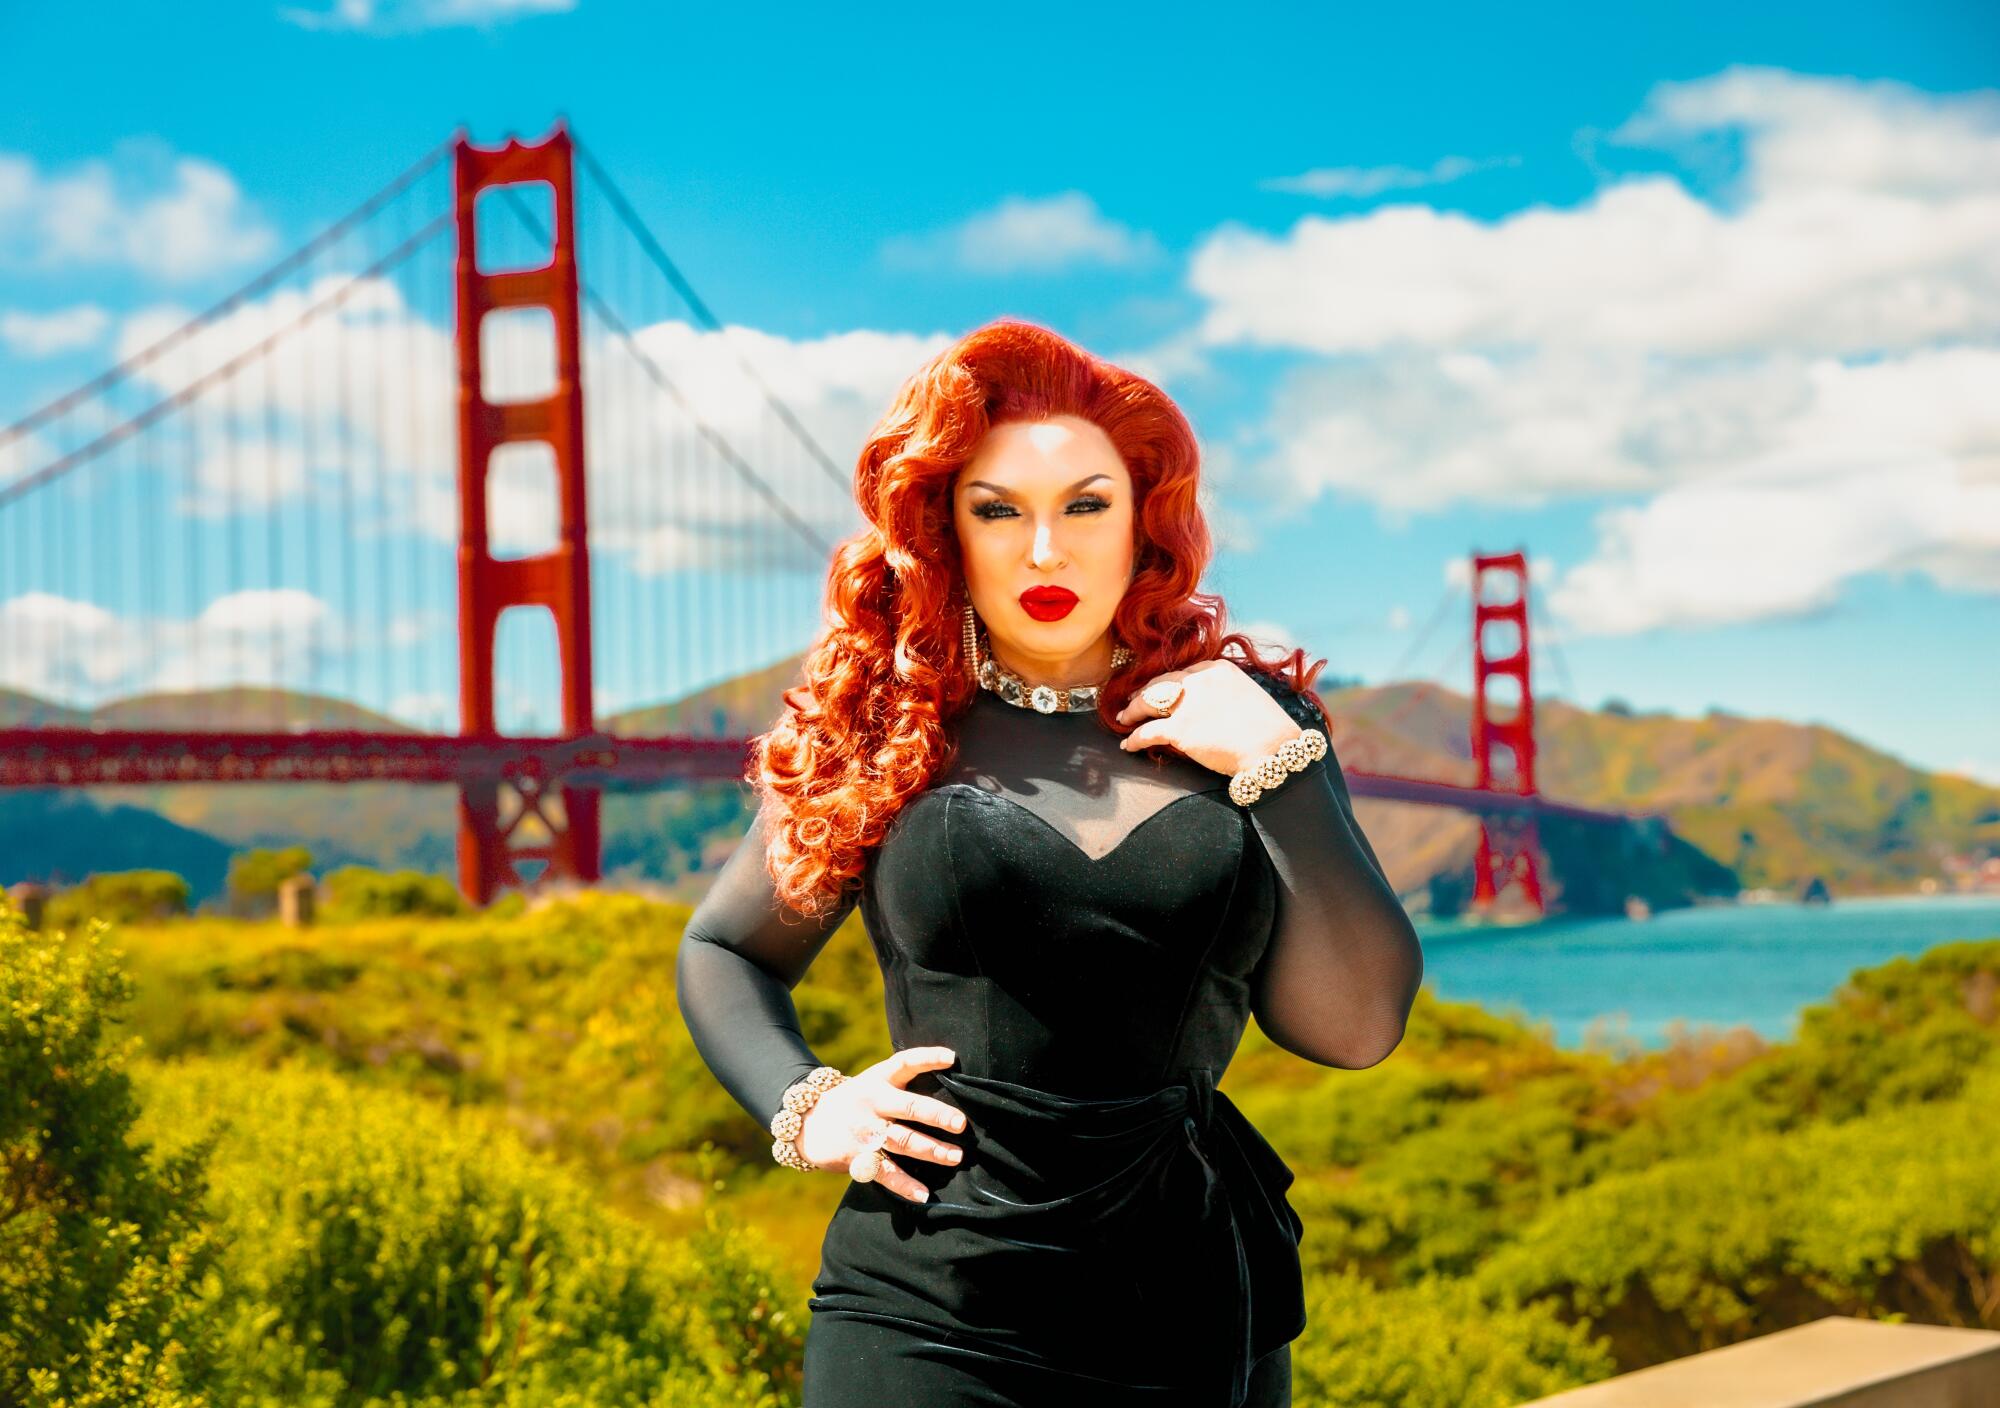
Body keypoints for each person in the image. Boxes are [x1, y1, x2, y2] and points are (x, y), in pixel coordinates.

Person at [676, 318, 1425, 1407]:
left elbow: (1354, 1026)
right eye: (998, 510)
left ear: (1141, 523)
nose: (1044, 550)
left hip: (1197, 1314)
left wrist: (1281, 765)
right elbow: (724, 946)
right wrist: (807, 1106)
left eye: (1084, 503)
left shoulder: (1250, 725)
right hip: (930, 1311)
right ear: (946, 529)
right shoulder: (890, 723)